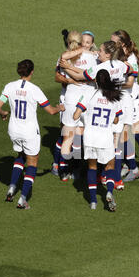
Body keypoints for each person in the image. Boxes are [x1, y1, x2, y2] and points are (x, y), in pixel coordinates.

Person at [60, 40, 133, 190]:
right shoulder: (120, 65)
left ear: (107, 54)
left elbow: (82, 76)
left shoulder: (101, 67)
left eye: (100, 50)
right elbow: (131, 69)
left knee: (100, 143)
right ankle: (116, 179)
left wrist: (67, 67)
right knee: (115, 145)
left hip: (103, 103)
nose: (98, 52)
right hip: (118, 103)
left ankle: (100, 175)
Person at [0, 59, 64, 209]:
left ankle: (12, 187)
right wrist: (60, 108)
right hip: (29, 131)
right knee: (32, 162)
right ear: (32, 72)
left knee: (20, 156)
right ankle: (23, 198)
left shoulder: (9, 86)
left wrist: (3, 113)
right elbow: (51, 111)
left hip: (14, 129)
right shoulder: (34, 90)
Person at [73, 69, 123, 211]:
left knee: (92, 167)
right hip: (105, 138)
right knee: (110, 166)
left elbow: (75, 116)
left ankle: (93, 201)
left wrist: (84, 114)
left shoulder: (88, 94)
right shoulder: (114, 98)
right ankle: (109, 192)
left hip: (89, 137)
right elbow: (116, 119)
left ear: (95, 81)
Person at [111, 29, 139, 180]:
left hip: (133, 97)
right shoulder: (115, 54)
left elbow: (129, 83)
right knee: (121, 132)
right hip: (121, 98)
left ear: (121, 43)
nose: (111, 43)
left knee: (136, 133)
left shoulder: (132, 58)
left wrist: (112, 84)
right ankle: (128, 164)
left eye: (113, 41)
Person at [58, 31, 98, 181]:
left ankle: (64, 169)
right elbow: (92, 75)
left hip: (70, 97)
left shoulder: (67, 55)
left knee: (68, 136)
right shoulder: (95, 57)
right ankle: (81, 169)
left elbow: (64, 68)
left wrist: (70, 69)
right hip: (87, 98)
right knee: (82, 136)